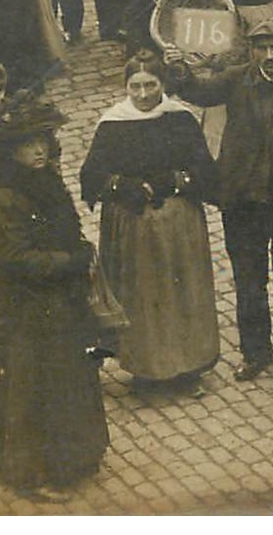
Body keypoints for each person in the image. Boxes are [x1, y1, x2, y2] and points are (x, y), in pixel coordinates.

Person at [164, 19, 273, 381]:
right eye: (260, 48)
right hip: (244, 200)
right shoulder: (236, 79)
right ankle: (255, 353)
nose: (268, 55)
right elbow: (198, 91)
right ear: (251, 51)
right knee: (248, 281)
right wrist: (179, 69)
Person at [0, 100, 109, 500]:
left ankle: (75, 456)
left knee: (69, 378)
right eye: (27, 145)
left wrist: (79, 249)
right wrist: (69, 260)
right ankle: (31, 472)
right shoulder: (5, 199)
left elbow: (65, 228)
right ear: (10, 152)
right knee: (32, 386)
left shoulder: (48, 181)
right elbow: (16, 259)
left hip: (61, 300)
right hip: (26, 308)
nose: (38, 151)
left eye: (42, 142)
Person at [79, 60, 221, 387]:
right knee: (141, 295)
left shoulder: (180, 120)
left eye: (151, 85)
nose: (143, 94)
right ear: (126, 88)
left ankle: (188, 363)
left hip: (178, 226)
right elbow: (91, 175)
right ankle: (145, 366)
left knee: (181, 290)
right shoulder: (113, 124)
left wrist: (175, 180)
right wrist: (119, 185)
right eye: (136, 87)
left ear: (162, 85)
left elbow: (206, 171)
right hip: (133, 227)